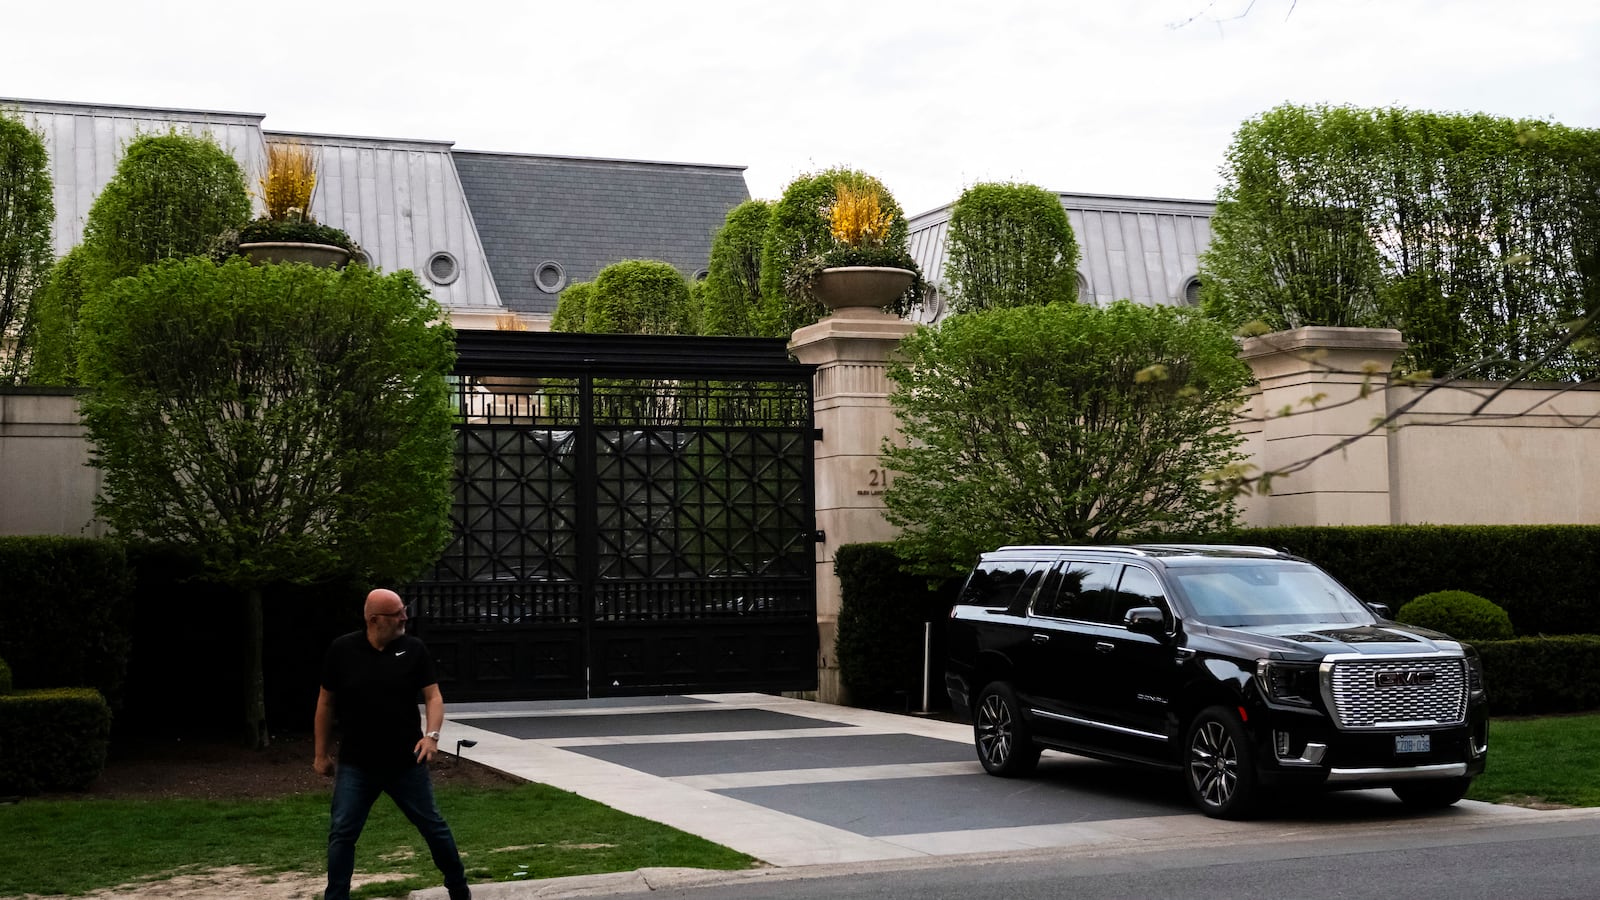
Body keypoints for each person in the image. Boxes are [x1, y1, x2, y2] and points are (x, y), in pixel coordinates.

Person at [314, 588, 470, 900]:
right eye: (397, 613)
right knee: (342, 833)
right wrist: (321, 754)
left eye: (403, 610)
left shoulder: (413, 649)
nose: (404, 617)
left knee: (433, 827)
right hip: (357, 763)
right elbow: (325, 703)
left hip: (404, 761)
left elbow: (433, 696)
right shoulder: (342, 650)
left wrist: (432, 735)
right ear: (374, 620)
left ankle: (458, 889)